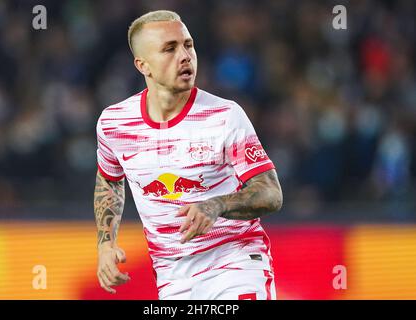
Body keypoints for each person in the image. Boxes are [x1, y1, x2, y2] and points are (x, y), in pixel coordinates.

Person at [93, 10, 283, 300]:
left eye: (188, 45)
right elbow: (109, 181)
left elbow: (270, 193)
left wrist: (217, 205)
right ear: (143, 65)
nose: (184, 56)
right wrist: (106, 244)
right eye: (169, 49)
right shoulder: (114, 124)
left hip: (234, 263)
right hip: (173, 276)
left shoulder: (224, 115)